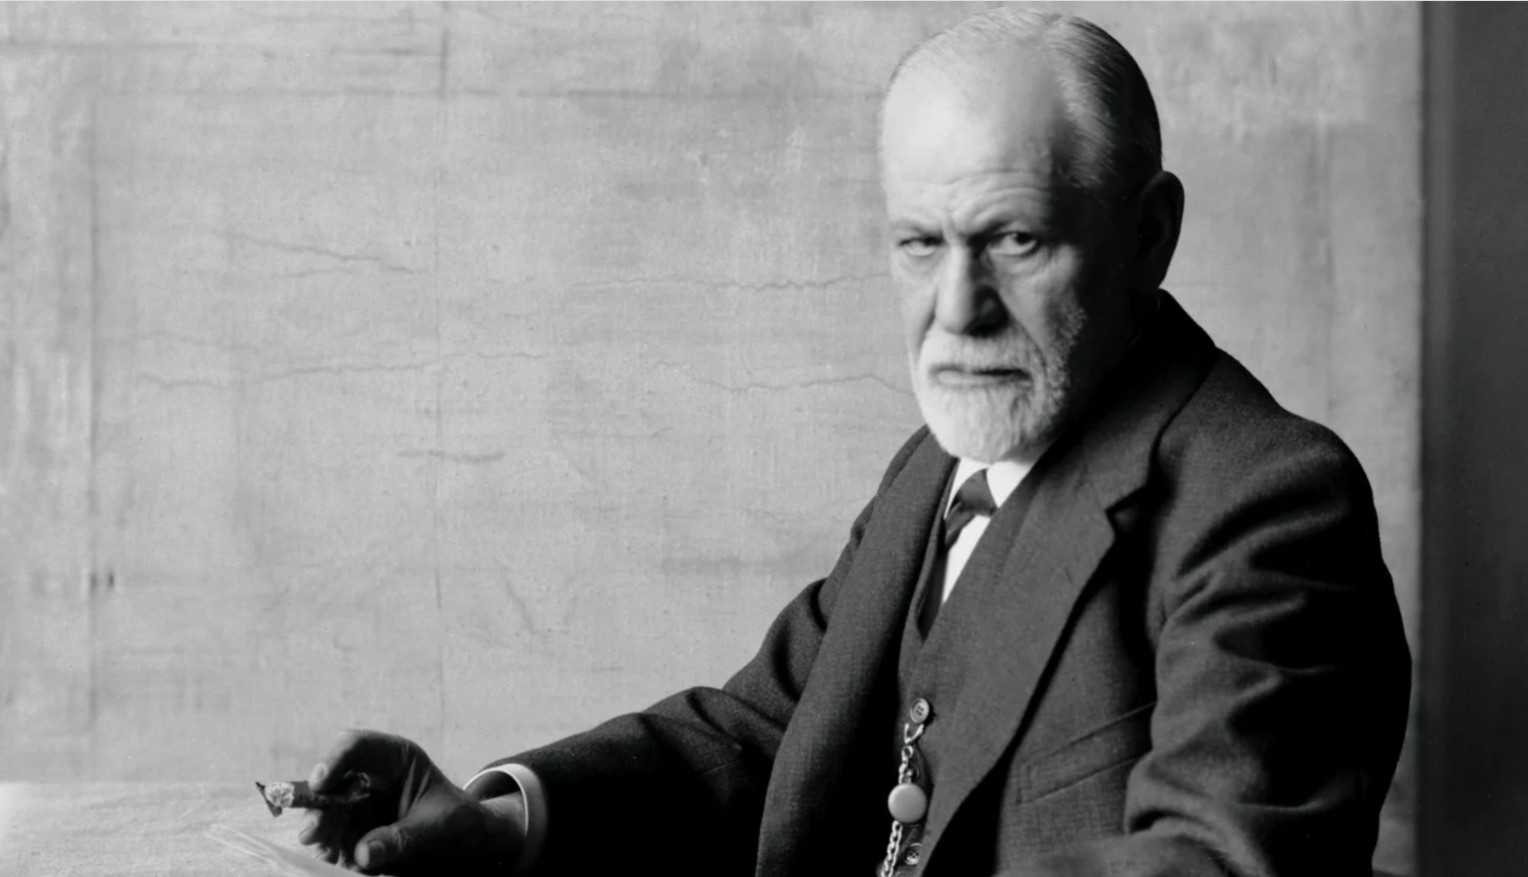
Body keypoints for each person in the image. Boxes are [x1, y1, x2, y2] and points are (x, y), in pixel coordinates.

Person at [298, 10, 1410, 877]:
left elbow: (1217, 863)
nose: (958, 308)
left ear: (1149, 235)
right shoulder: (939, 465)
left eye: (1016, 240)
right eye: (921, 244)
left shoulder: (1266, 502)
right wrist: (502, 824)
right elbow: (765, 730)